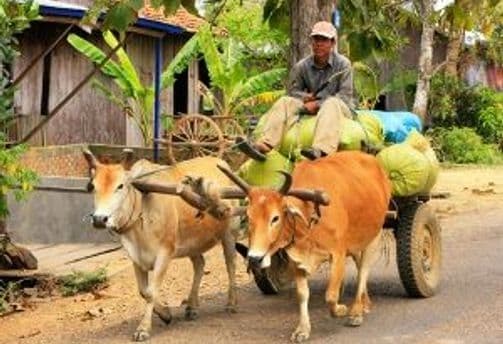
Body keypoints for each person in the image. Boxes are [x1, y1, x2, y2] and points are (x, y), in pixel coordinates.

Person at [236, 20, 354, 161]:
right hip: (310, 105)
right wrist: (305, 97)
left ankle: (321, 150)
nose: (318, 43)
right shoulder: (302, 66)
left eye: (324, 40)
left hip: (338, 107)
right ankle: (265, 144)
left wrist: (318, 104)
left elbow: (345, 96)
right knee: (285, 101)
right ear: (311, 42)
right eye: (316, 39)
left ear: (333, 43)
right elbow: (293, 92)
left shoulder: (343, 64)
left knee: (332, 103)